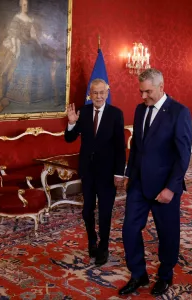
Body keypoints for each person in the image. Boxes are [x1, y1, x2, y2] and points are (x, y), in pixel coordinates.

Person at [118, 68, 192, 296]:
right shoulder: (140, 110)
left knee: (167, 233)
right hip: (139, 184)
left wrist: (171, 188)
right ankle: (138, 275)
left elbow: (183, 156)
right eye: (141, 92)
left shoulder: (179, 112)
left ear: (161, 86)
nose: (143, 96)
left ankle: (165, 275)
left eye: (148, 91)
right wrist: (128, 175)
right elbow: (137, 149)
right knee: (129, 230)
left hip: (165, 187)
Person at [65, 78, 125, 266]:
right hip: (88, 171)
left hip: (107, 172)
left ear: (107, 93)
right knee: (87, 211)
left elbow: (120, 147)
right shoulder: (83, 112)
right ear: (90, 94)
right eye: (95, 93)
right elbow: (69, 139)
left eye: (102, 93)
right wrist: (72, 123)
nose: (98, 96)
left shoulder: (116, 114)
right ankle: (92, 241)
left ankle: (104, 247)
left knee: (105, 212)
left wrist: (119, 173)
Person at [0, 0, 52, 114]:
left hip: (29, 46)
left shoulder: (30, 19)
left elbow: (32, 35)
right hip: (17, 44)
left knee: (37, 63)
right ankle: (10, 95)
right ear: (20, 5)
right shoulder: (17, 17)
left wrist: (40, 43)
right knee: (8, 67)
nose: (26, 7)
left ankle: (31, 96)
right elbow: (13, 34)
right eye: (24, 5)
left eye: (27, 5)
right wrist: (16, 48)